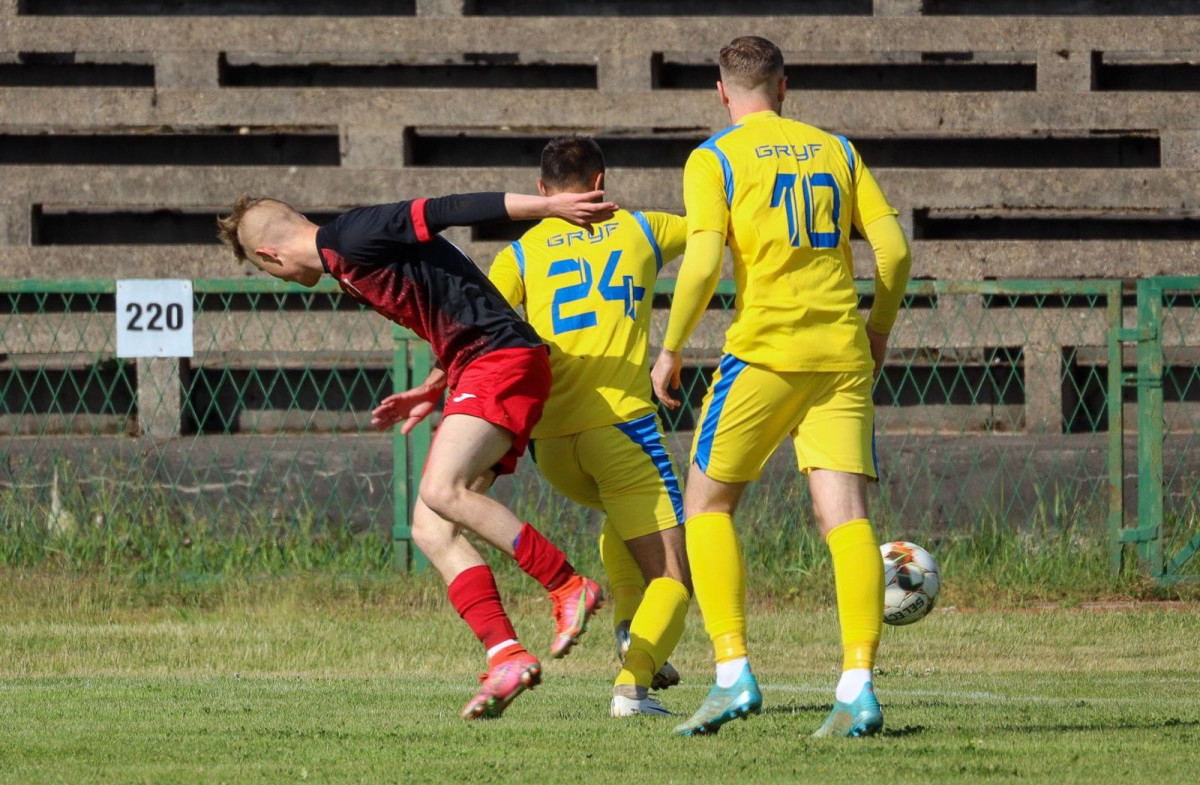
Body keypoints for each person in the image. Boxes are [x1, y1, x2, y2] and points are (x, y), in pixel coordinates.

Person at [217, 189, 617, 720]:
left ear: (269, 257)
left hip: (499, 360)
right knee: (431, 527)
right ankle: (506, 655)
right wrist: (433, 384)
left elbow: (448, 210)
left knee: (439, 489)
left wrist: (549, 208)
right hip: (479, 365)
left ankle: (567, 584)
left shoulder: (354, 234)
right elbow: (453, 295)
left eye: (266, 270)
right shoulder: (345, 260)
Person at [650, 35, 912, 737]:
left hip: (765, 354)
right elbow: (894, 250)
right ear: (785, 87)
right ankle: (857, 686)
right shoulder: (839, 150)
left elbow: (704, 260)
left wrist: (669, 348)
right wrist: (878, 329)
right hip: (842, 354)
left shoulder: (714, 158)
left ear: (721, 91)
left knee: (706, 503)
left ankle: (733, 673)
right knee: (846, 518)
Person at [489, 136, 691, 717]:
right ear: (600, 180)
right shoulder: (643, 228)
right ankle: (633, 684)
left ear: (540, 188)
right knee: (675, 578)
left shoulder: (521, 254)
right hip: (621, 428)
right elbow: (711, 231)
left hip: (552, 445)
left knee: (620, 526)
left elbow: (488, 333)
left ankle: (633, 628)